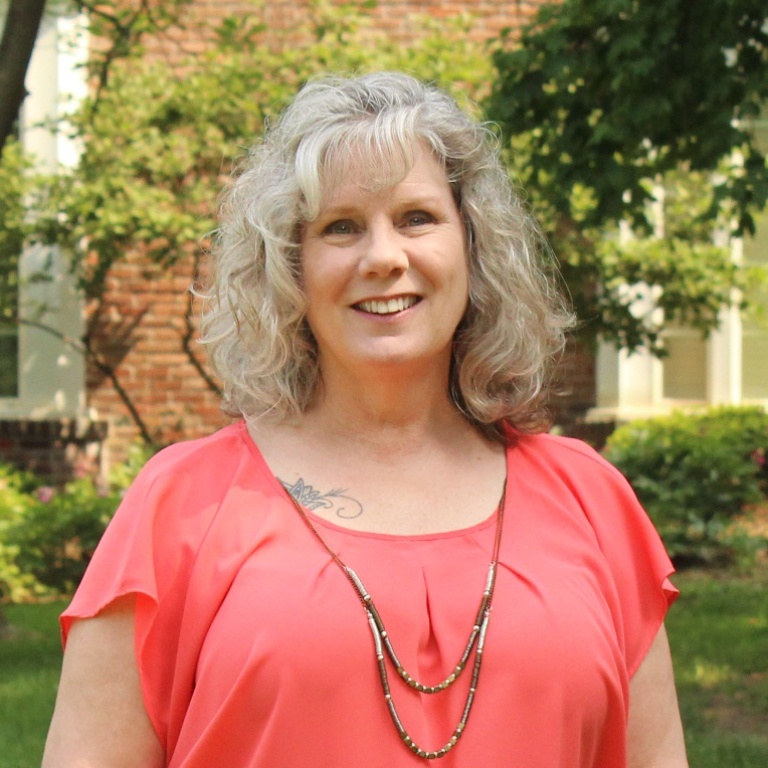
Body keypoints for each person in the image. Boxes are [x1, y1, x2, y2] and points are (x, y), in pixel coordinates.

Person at [42, 72, 688, 767]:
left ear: (473, 248)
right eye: (340, 227)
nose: (384, 257)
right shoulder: (180, 508)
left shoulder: (591, 502)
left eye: (417, 218)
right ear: (290, 265)